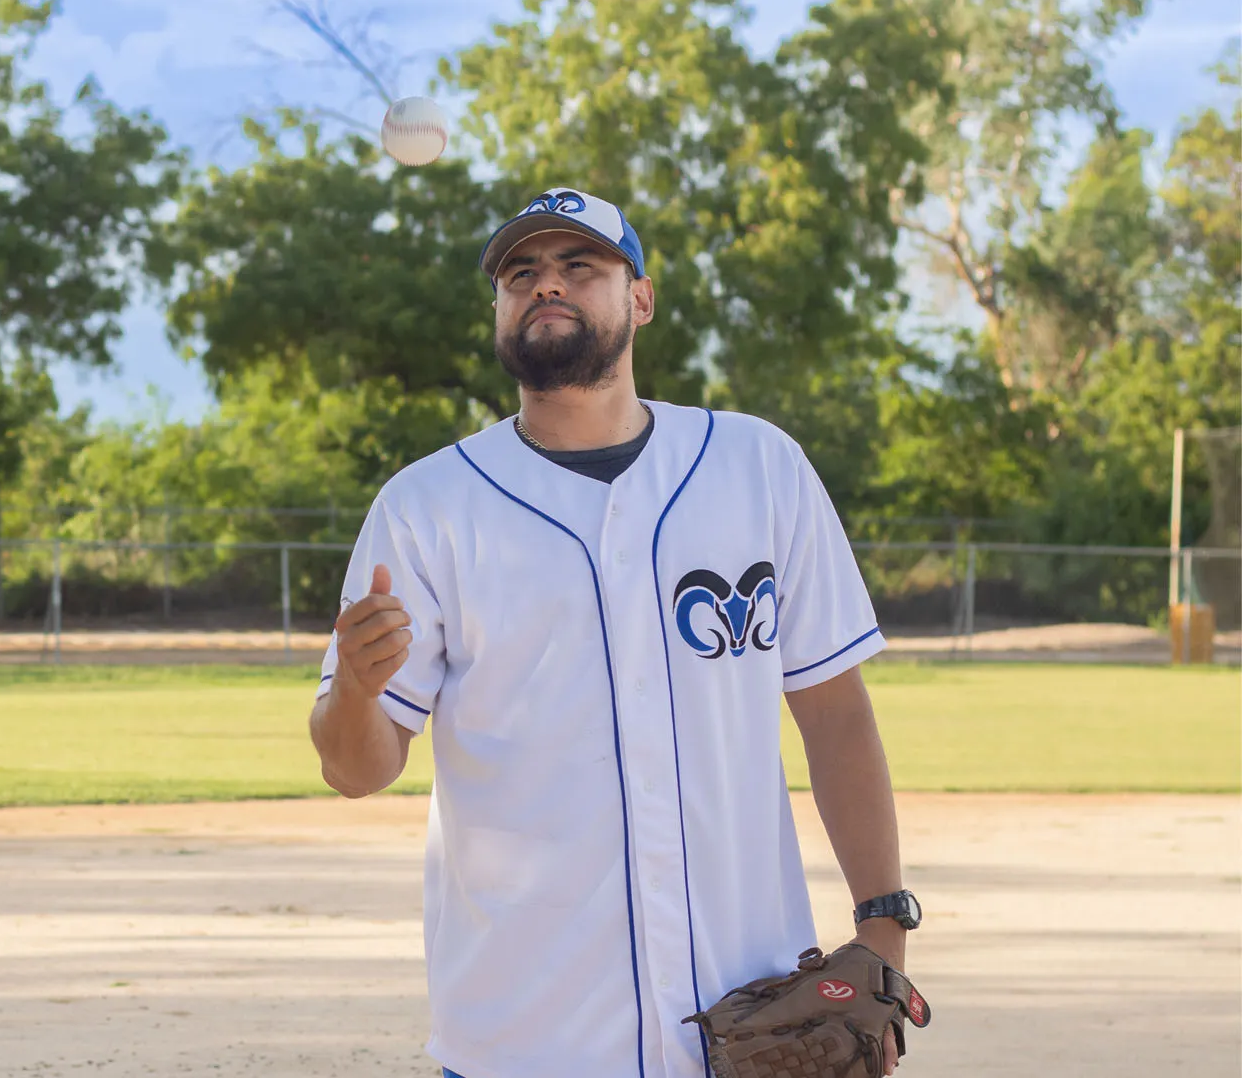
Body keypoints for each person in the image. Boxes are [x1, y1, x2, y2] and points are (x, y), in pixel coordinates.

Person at [308, 187, 920, 1078]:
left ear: (640, 299)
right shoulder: (427, 507)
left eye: (579, 266)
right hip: (522, 1037)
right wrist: (357, 692)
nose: (546, 285)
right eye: (522, 272)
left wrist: (884, 929)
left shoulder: (758, 467)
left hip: (749, 1021)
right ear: (499, 309)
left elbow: (837, 717)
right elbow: (354, 769)